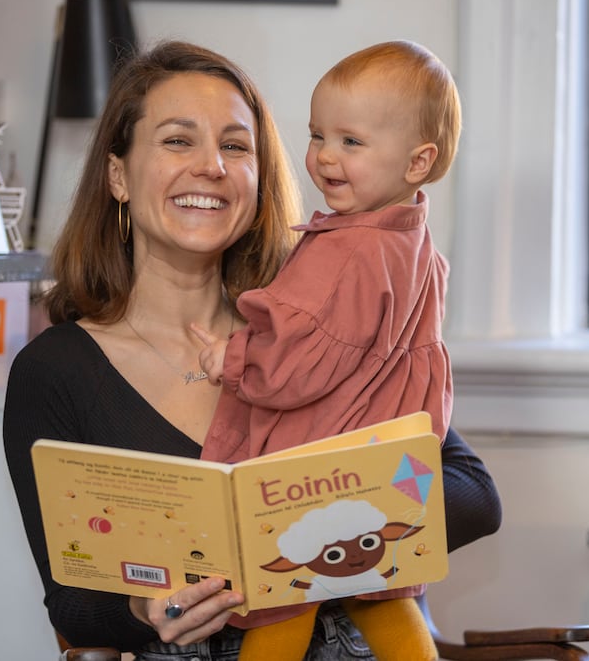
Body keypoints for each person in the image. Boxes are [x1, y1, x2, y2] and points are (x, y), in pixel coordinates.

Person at [3, 40, 500, 660]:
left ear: (258, 177)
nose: (211, 166)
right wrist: (146, 607)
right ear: (118, 175)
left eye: (236, 146)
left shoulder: (322, 320)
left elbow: (475, 495)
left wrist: (317, 524)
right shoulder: (56, 370)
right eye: (178, 141)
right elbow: (72, 600)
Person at [191, 40, 461, 661]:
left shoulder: (347, 251)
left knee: (280, 596)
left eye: (351, 142)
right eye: (318, 136)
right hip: (385, 466)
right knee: (385, 592)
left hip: (320, 466)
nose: (324, 158)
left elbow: (295, 361)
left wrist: (232, 358)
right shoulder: (415, 246)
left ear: (418, 161)